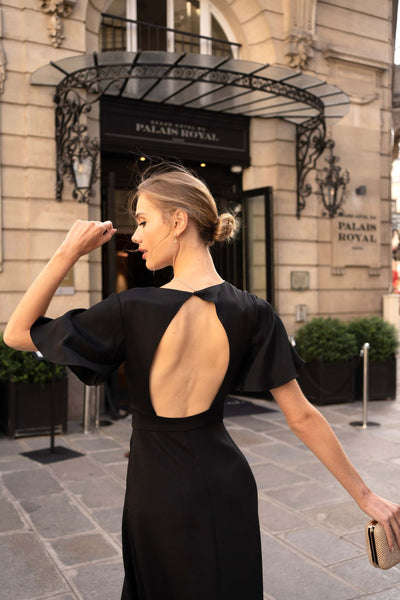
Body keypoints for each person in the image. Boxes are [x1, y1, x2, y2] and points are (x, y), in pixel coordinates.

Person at [4, 164, 400, 600]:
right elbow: (302, 416)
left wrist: (67, 252)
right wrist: (366, 497)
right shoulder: (254, 311)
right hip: (227, 483)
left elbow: (17, 333)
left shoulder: (129, 309)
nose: (134, 237)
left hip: (158, 490)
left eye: (141, 221)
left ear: (178, 221)